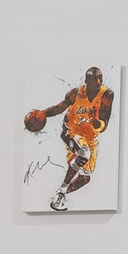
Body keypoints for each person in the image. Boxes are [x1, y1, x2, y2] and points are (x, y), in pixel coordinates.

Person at [25, 67, 115, 211]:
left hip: (90, 137)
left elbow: (103, 126)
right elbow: (60, 108)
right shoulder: (76, 93)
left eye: (100, 78)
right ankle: (61, 191)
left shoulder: (107, 95)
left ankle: (60, 194)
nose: (98, 82)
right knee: (84, 153)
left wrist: (94, 122)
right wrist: (43, 113)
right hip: (71, 131)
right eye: (94, 79)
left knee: (85, 179)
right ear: (86, 81)